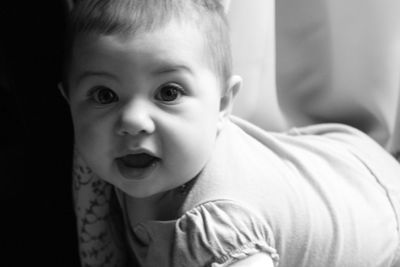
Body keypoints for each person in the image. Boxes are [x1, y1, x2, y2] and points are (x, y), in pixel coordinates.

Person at [61, 0, 400, 266]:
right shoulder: (143, 159)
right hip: (338, 160)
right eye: (104, 95)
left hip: (382, 224)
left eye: (168, 93)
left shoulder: (219, 231)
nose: (133, 121)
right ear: (69, 102)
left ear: (223, 103)